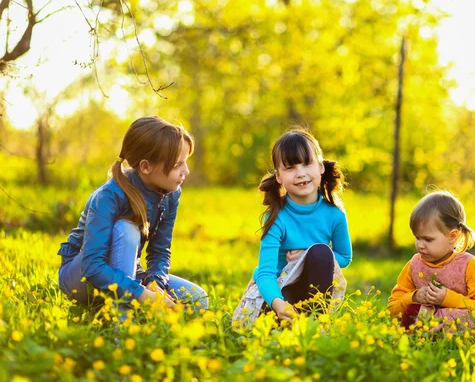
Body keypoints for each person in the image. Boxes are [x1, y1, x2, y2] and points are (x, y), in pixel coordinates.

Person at [57, 116, 208, 312]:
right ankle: (123, 327)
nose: (185, 171)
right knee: (126, 228)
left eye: (185, 162)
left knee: (197, 299)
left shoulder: (171, 195)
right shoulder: (108, 196)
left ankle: (133, 311)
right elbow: (92, 266)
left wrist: (155, 286)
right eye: (177, 164)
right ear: (145, 167)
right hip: (81, 279)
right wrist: (141, 294)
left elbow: (160, 251)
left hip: (128, 274)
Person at [233, 129, 352, 326]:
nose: (301, 173)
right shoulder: (277, 217)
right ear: (278, 177)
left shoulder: (334, 215)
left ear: (320, 167)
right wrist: (278, 303)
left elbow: (345, 257)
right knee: (274, 324)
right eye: (290, 168)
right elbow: (266, 273)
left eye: (307, 164)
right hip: (280, 289)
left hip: (315, 289)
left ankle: (316, 325)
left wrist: (308, 255)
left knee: (321, 252)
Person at [387, 190, 475, 333]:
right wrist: (414, 296)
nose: (420, 245)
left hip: (460, 324)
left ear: (453, 236)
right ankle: (425, 335)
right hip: (425, 321)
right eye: (417, 238)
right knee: (412, 311)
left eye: (428, 239)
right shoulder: (414, 265)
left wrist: (447, 298)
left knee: (470, 320)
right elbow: (392, 309)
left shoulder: (469, 266)